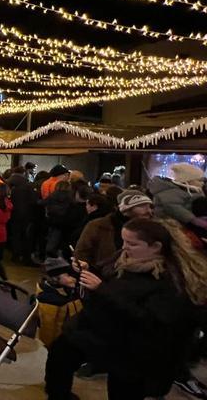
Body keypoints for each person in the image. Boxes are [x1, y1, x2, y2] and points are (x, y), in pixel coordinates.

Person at [45, 218, 207, 399]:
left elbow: (148, 320)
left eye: (132, 243)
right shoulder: (124, 259)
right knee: (59, 356)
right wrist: (88, 270)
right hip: (97, 329)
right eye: (123, 240)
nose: (124, 247)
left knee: (123, 391)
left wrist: (101, 290)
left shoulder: (171, 280)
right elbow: (109, 278)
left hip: (129, 348)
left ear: (156, 247)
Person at [75, 190, 153, 269]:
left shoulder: (153, 227)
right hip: (104, 276)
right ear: (126, 208)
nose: (149, 211)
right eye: (142, 206)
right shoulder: (98, 226)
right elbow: (82, 253)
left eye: (150, 207)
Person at [148, 162, 207, 231]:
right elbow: (173, 207)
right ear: (187, 181)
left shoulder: (191, 191)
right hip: (169, 224)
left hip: (182, 222)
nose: (202, 183)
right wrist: (193, 219)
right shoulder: (171, 192)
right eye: (199, 180)